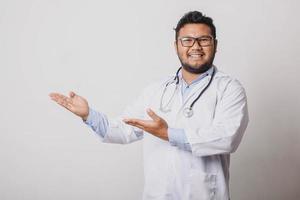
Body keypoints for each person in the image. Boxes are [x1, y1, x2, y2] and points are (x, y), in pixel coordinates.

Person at [49, 11, 249, 200]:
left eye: (204, 40)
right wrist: (88, 115)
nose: (195, 47)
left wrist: (167, 133)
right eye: (187, 40)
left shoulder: (229, 88)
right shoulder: (156, 89)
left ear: (215, 44)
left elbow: (227, 137)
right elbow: (123, 129)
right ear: (176, 46)